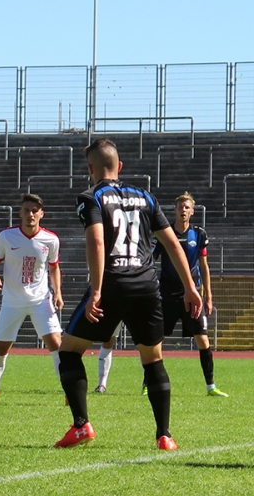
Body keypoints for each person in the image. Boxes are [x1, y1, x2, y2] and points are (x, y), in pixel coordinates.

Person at [55, 139, 202, 451]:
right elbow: (172, 243)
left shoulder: (91, 197)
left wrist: (96, 290)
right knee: (153, 359)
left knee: (68, 351)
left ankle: (81, 425)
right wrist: (191, 287)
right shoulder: (145, 196)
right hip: (147, 286)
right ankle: (165, 436)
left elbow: (97, 242)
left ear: (90, 169)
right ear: (119, 166)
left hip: (112, 285)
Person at [0, 193, 63, 405]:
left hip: (41, 300)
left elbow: (54, 268)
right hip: (12, 301)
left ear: (41, 214)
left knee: (56, 343)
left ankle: (69, 392)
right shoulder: (6, 236)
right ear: (20, 213)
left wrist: (58, 292)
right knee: (2, 347)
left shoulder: (51, 239)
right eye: (27, 210)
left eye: (35, 211)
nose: (30, 214)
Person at [154, 192, 228, 397]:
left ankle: (211, 386)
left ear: (192, 212)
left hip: (192, 295)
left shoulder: (199, 234)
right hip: (167, 295)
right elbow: (151, 259)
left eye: (187, 207)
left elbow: (204, 266)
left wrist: (208, 296)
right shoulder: (164, 233)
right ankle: (148, 383)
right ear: (175, 210)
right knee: (156, 340)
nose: (183, 210)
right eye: (180, 207)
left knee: (203, 340)